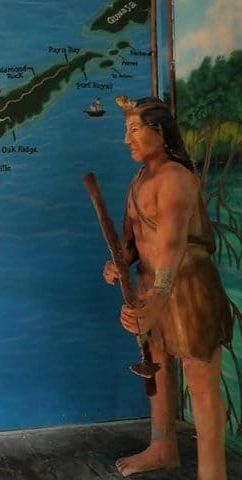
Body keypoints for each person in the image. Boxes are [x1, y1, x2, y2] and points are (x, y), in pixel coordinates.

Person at [103, 96, 233, 479]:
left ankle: (213, 472)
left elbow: (173, 245)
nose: (127, 139)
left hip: (189, 289)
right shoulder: (138, 181)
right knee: (156, 368)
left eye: (134, 129)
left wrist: (159, 298)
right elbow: (133, 242)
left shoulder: (176, 179)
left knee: (201, 380)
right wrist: (119, 262)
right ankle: (163, 448)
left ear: (159, 132)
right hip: (150, 288)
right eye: (126, 130)